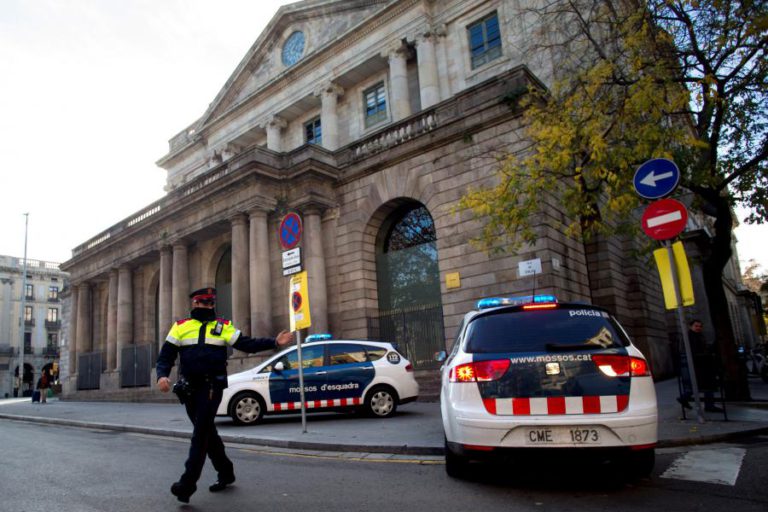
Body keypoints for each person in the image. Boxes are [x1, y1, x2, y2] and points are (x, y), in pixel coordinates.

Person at [156, 287, 293, 504]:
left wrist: (274, 342)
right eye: (203, 303)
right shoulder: (181, 327)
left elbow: (246, 344)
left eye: (211, 303)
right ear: (195, 304)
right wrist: (162, 375)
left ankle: (187, 484)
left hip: (212, 388)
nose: (207, 307)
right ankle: (226, 472)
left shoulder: (223, 326)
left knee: (200, 434)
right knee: (207, 432)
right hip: (189, 389)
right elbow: (166, 355)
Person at [677, 319, 723, 413]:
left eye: (700, 326)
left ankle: (686, 398)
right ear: (691, 326)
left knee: (702, 385)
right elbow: (694, 350)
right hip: (698, 364)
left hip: (702, 363)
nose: (698, 328)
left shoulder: (698, 336)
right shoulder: (690, 336)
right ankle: (707, 405)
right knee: (704, 384)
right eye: (696, 326)